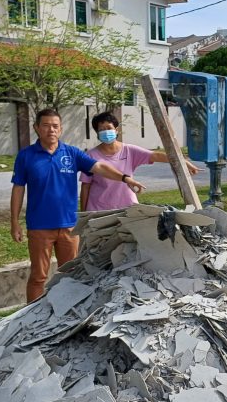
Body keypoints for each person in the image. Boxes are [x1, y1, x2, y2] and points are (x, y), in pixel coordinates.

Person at [10, 108, 147, 302]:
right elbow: (18, 189)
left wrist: (125, 178)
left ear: (61, 129)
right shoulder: (26, 156)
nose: (51, 130)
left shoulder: (71, 153)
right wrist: (14, 222)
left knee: (71, 274)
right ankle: (30, 316)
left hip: (69, 226)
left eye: (55, 126)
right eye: (46, 125)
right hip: (40, 226)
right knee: (38, 276)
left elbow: (99, 167)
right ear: (36, 128)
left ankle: (66, 313)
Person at [79, 111, 201, 212]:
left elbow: (156, 156)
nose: (106, 132)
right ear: (97, 133)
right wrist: (84, 214)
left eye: (109, 128)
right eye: (101, 129)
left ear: (116, 130)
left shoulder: (129, 150)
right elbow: (85, 186)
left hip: (128, 208)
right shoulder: (91, 155)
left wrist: (183, 162)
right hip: (99, 210)